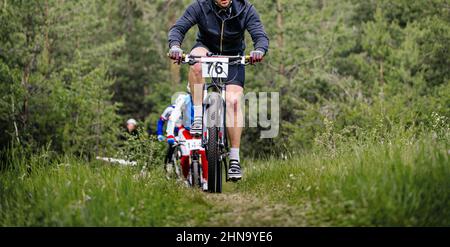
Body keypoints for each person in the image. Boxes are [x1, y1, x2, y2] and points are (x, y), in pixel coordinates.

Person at [168, 0, 269, 181]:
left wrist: (259, 50)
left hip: (233, 58)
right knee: (196, 63)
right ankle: (198, 115)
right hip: (206, 51)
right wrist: (175, 46)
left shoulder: (246, 9)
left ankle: (235, 158)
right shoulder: (199, 6)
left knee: (234, 101)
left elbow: (260, 35)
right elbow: (178, 28)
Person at [166, 92, 209, 191]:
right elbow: (173, 116)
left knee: (204, 153)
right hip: (186, 131)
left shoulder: (206, 96)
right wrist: (170, 134)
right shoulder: (183, 99)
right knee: (185, 156)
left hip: (202, 130)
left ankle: (206, 180)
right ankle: (185, 179)